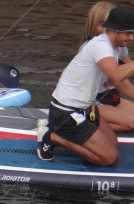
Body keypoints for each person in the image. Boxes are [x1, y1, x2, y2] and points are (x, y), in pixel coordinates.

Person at [37, 6, 134, 164]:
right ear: (115, 30)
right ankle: (53, 137)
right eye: (128, 33)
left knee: (113, 143)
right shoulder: (100, 46)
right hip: (66, 112)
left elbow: (124, 83)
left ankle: (62, 132)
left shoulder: (116, 48)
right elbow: (116, 74)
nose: (131, 38)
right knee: (110, 157)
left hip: (87, 108)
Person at [82, 2, 134, 132]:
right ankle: (76, 128)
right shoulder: (94, 47)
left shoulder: (118, 45)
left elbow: (129, 69)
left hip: (108, 96)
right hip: (90, 101)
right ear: (99, 26)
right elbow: (118, 81)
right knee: (129, 124)